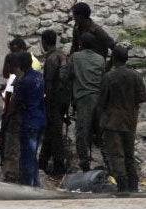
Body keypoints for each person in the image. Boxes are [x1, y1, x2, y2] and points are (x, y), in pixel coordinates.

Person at [99, 46, 146, 192]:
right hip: (130, 121)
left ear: (113, 59)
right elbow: (142, 97)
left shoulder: (108, 77)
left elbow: (102, 102)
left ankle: (123, 187)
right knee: (129, 156)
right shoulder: (136, 76)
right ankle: (133, 187)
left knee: (117, 155)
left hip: (112, 122)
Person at [62, 32, 106, 172]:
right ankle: (109, 163)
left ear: (81, 44)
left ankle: (84, 164)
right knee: (101, 133)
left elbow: (65, 76)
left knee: (82, 132)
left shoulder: (75, 57)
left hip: (83, 99)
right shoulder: (101, 59)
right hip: (98, 99)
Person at [38, 30, 69, 176]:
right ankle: (42, 163)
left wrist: (46, 101)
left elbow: (49, 84)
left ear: (44, 42)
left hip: (53, 102)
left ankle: (58, 166)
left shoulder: (51, 59)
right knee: (50, 132)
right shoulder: (61, 55)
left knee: (55, 133)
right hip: (62, 100)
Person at [13, 51, 46, 187]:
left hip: (29, 121)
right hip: (40, 119)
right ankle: (35, 183)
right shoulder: (39, 76)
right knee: (33, 155)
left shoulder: (24, 81)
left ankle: (28, 186)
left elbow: (18, 102)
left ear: (20, 64)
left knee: (27, 155)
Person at [0, 52, 23, 183]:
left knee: (11, 150)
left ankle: (11, 177)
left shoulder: (15, 79)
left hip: (14, 120)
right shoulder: (21, 77)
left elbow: (9, 104)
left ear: (9, 65)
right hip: (21, 119)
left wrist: (7, 118)